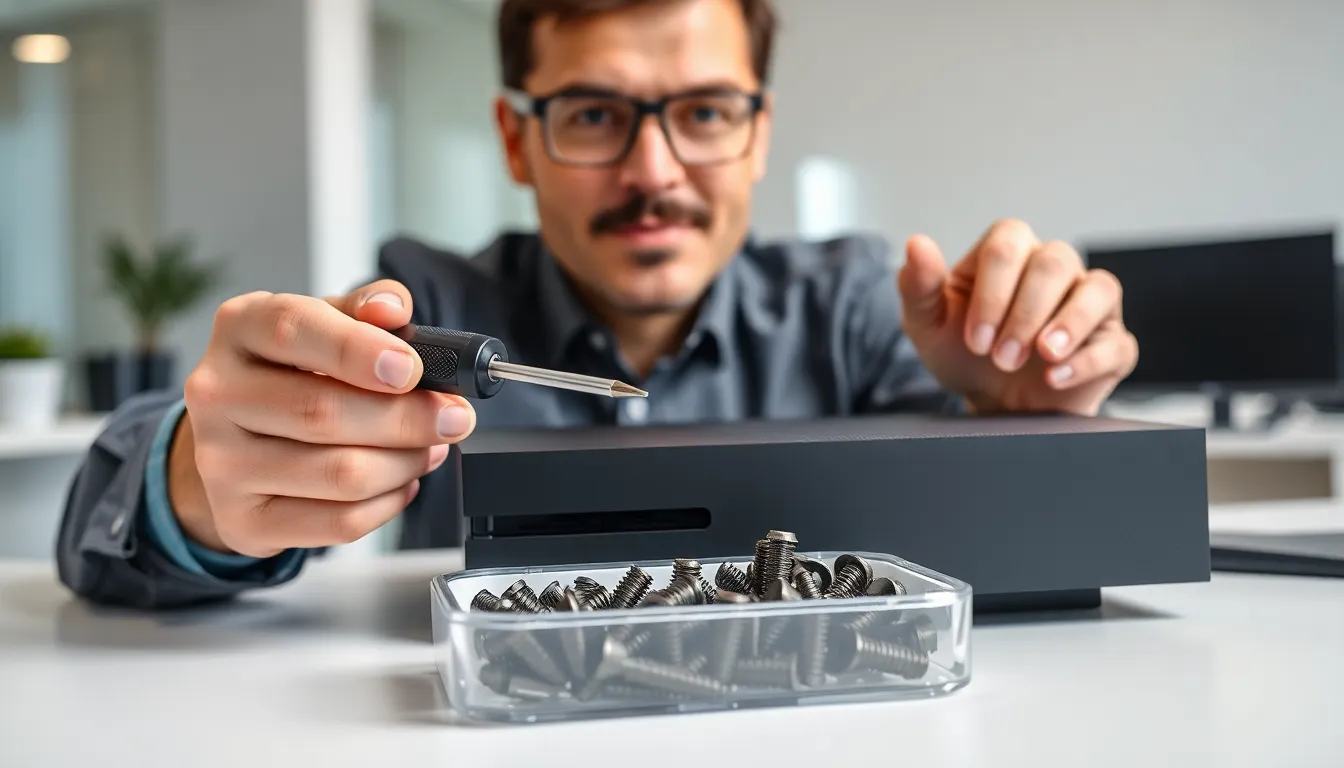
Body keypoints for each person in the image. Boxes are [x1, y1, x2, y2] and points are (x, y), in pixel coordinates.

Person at [56, 0, 1137, 609]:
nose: (653, 171)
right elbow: (100, 527)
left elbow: (989, 563)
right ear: (519, 138)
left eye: (705, 111)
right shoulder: (428, 308)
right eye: (593, 114)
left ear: (758, 133)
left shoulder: (858, 308)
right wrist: (196, 483)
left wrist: (1023, 423)